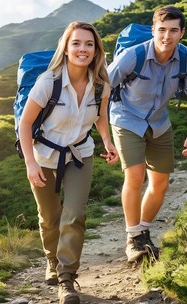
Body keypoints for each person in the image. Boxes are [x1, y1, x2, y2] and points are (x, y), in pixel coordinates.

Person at [19, 21, 119, 304]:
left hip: (80, 154)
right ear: (65, 48)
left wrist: (107, 142)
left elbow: (100, 117)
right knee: (50, 217)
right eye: (76, 43)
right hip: (43, 157)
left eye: (89, 44)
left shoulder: (101, 85)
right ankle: (52, 261)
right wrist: (30, 163)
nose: (82, 49)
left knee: (74, 215)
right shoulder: (47, 83)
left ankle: (66, 279)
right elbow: (25, 125)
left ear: (96, 49)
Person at [107, 6, 187, 263]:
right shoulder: (132, 56)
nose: (167, 36)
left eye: (174, 30)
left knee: (160, 182)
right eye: (162, 30)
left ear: (182, 32)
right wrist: (102, 135)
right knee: (135, 174)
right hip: (126, 118)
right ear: (154, 30)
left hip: (159, 122)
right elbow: (101, 89)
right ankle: (132, 238)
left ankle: (143, 231)